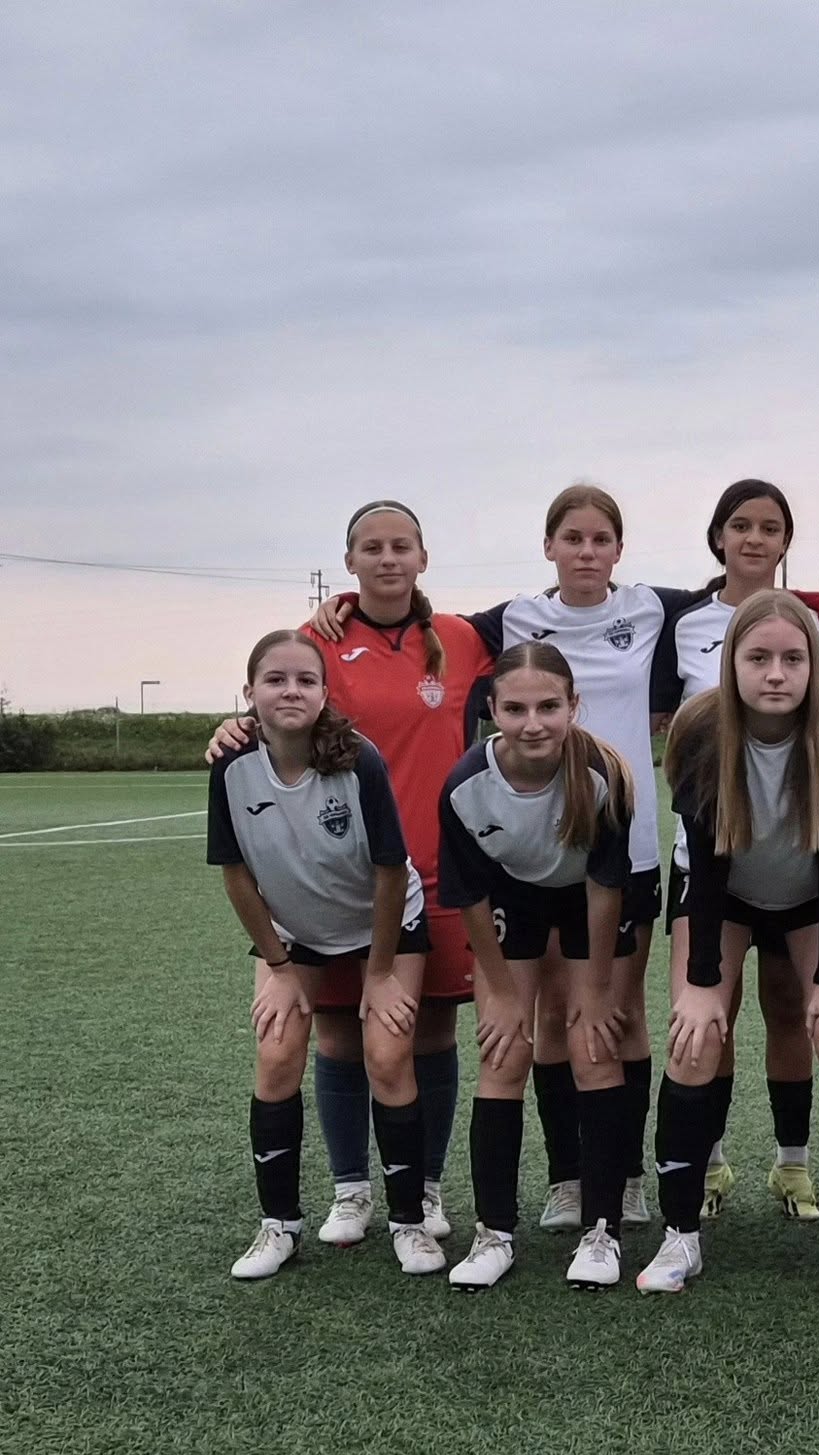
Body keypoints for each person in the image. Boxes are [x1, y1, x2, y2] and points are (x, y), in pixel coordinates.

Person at [316, 486, 709, 1233]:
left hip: (624, 844)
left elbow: (739, 593)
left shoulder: (653, 610)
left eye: (600, 538)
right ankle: (568, 1180)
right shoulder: (511, 620)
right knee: (555, 1017)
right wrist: (338, 606)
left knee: (617, 1015)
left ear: (619, 549)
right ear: (548, 546)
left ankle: (625, 1178)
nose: (586, 551)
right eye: (572, 537)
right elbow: (407, 615)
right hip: (532, 851)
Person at [207, 500, 491, 1249]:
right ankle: (350, 1189)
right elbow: (280, 699)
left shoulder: (463, 638)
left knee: (424, 1034)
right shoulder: (319, 642)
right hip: (333, 878)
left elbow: (552, 638)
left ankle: (423, 1187)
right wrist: (235, 726)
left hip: (435, 872)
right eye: (372, 547)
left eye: (401, 546)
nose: (387, 558)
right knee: (336, 1037)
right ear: (350, 561)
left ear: (423, 557)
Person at [638, 590, 819, 1295]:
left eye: (792, 658)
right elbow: (706, 864)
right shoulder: (698, 726)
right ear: (731, 662)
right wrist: (701, 984)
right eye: (758, 658)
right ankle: (680, 1235)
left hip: (813, 896)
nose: (776, 673)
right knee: (693, 1039)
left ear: (815, 663)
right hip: (722, 893)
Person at [209, 631, 440, 1280]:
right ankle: (278, 1226)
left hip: (383, 921)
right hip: (295, 931)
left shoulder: (358, 759)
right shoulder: (230, 764)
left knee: (387, 1054)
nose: (291, 690)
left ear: (323, 692)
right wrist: (280, 968)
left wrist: (381, 972)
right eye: (275, 679)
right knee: (277, 1051)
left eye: (305, 680)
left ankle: (409, 1222)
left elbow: (390, 871)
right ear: (250, 691)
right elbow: (235, 873)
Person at [665, 479, 819, 1222]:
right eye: (740, 524)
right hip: (713, 857)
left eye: (771, 527)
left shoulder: (816, 622)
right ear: (718, 536)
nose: (754, 538)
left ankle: (791, 1165)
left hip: (798, 862)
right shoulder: (679, 620)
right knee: (710, 1010)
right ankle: (708, 1166)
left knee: (791, 1009)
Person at [437, 644, 638, 1291]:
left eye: (549, 706)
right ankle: (494, 1233)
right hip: (512, 899)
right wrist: (498, 991)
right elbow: (469, 895)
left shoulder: (604, 775)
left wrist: (597, 987)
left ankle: (601, 1231)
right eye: (516, 709)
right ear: (492, 710)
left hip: (585, 901)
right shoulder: (466, 785)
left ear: (573, 706)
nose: (533, 723)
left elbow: (605, 888)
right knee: (503, 1053)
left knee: (594, 1046)